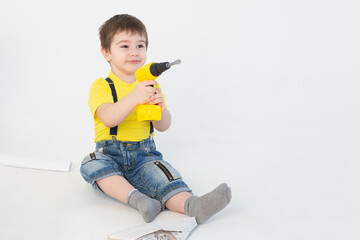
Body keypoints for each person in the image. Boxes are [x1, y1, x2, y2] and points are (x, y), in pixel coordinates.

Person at [80, 14, 231, 224]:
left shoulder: (151, 86)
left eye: (140, 45)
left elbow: (163, 126)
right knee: (92, 164)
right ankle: (141, 201)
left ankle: (194, 205)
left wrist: (160, 109)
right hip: (110, 154)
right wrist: (134, 96)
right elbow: (109, 118)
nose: (134, 52)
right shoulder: (102, 86)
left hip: (144, 155)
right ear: (106, 53)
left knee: (163, 176)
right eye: (124, 46)